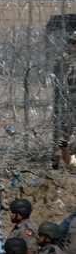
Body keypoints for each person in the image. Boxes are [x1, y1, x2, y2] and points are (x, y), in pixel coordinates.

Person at [55, 32, 76, 166]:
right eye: (71, 42)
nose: (72, 45)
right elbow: (56, 70)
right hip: (68, 96)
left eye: (75, 43)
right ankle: (62, 154)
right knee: (66, 126)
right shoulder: (64, 58)